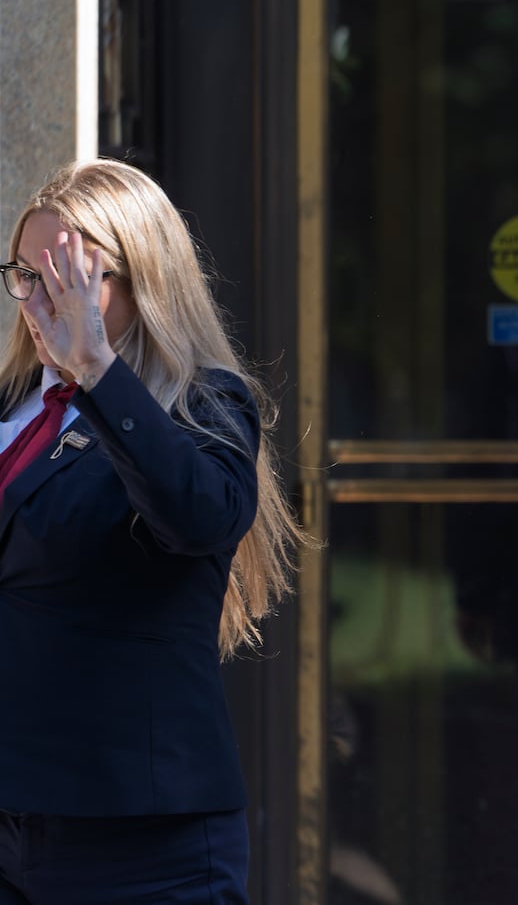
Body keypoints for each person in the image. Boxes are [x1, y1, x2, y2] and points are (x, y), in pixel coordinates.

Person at [0, 159, 309, 903]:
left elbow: (198, 515)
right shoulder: (12, 405)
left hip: (138, 838)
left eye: (72, 278)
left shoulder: (203, 406)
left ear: (143, 284)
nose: (42, 302)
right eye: (26, 275)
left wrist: (98, 372)